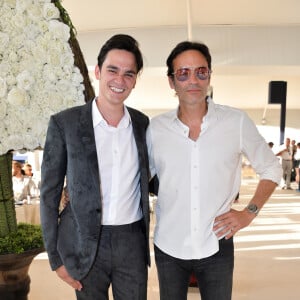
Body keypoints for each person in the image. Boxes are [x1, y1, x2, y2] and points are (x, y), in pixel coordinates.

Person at [147, 40, 282, 300]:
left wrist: (248, 213)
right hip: (169, 246)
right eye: (183, 73)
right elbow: (136, 175)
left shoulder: (236, 121)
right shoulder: (156, 129)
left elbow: (271, 168)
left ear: (209, 75)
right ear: (171, 82)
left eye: (201, 71)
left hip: (217, 245)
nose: (193, 80)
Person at [40, 34, 150, 300]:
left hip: (131, 242)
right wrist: (55, 258)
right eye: (113, 70)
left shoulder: (143, 125)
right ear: (98, 71)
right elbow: (49, 194)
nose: (119, 80)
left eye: (129, 74)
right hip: (83, 241)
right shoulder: (64, 124)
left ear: (135, 81)